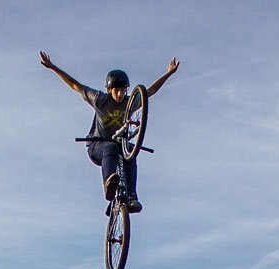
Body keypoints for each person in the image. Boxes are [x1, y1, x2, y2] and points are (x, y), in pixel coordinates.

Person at [40, 51, 179, 213]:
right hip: (97, 146)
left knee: (130, 151)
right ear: (109, 89)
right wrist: (52, 67)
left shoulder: (130, 103)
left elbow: (151, 91)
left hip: (119, 146)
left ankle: (131, 197)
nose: (120, 95)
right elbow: (74, 85)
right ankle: (109, 184)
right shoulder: (100, 100)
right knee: (111, 147)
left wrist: (168, 73)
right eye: (116, 91)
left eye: (123, 91)